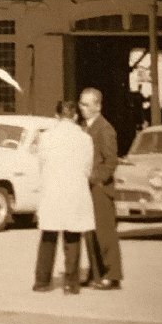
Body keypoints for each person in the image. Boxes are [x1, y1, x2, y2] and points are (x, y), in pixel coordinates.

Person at [33, 100, 95, 295]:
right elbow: (87, 167)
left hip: (53, 190)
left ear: (56, 115)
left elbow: (41, 163)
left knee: (48, 236)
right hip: (75, 191)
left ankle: (42, 282)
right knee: (73, 236)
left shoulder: (46, 137)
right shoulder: (85, 139)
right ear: (75, 116)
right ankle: (71, 284)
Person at [79, 87, 123, 290]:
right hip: (85, 187)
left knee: (105, 233)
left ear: (98, 105)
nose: (83, 108)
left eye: (87, 104)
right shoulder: (83, 127)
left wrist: (96, 179)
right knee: (89, 232)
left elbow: (110, 161)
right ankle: (95, 272)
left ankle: (112, 275)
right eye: (81, 103)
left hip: (100, 188)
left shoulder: (105, 129)